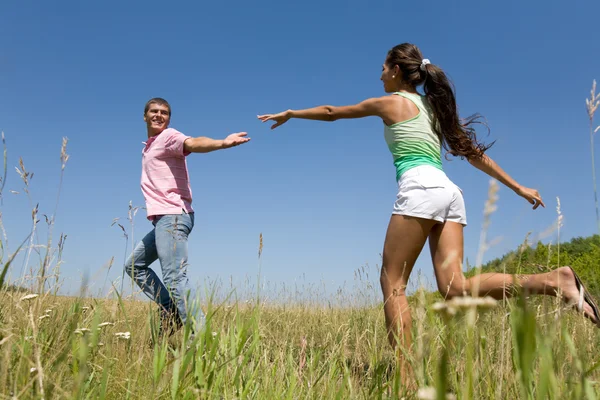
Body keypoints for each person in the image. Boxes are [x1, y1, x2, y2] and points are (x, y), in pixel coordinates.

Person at [258, 42, 600, 379]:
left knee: (393, 284)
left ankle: (405, 380)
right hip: (450, 193)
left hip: (420, 188)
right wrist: (518, 187)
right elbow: (472, 153)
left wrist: (291, 113)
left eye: (382, 69)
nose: (379, 76)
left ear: (395, 70)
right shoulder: (434, 108)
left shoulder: (391, 103)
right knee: (455, 288)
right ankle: (554, 281)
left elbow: (333, 112)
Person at [124, 97, 250, 338]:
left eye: (164, 112)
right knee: (134, 266)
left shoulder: (169, 137)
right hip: (163, 219)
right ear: (145, 116)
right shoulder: (149, 146)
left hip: (173, 216)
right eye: (154, 111)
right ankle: (170, 308)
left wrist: (222, 143)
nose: (159, 115)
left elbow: (193, 143)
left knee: (175, 278)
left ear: (169, 118)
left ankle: (200, 338)